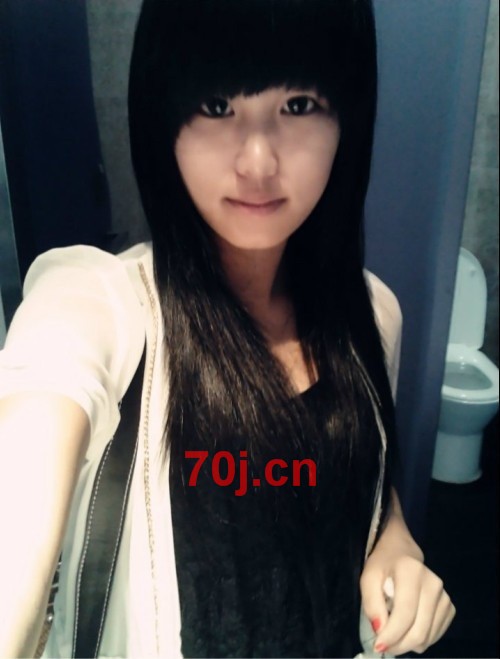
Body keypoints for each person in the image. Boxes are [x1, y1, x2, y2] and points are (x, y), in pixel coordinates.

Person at [0, 0, 456, 656]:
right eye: (217, 105)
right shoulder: (99, 306)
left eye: (298, 104)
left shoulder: (373, 314)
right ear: (164, 118)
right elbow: (26, 457)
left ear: (346, 118)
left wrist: (394, 538)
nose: (258, 162)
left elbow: (355, 475)